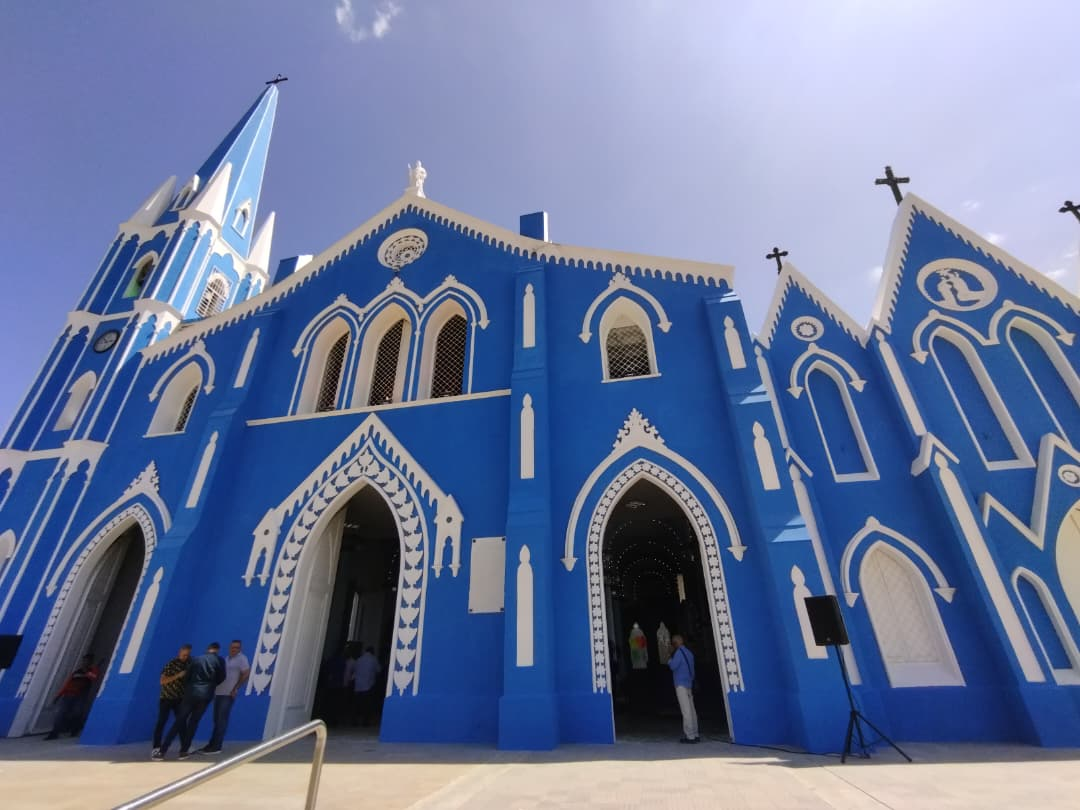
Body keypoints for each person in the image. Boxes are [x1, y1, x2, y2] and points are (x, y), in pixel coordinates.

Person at [153, 642, 225, 760]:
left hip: (191, 694)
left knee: (179, 721)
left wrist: (191, 687)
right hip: (205, 695)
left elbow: (187, 677)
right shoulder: (219, 660)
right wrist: (211, 685)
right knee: (193, 723)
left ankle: (162, 751)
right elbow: (222, 677)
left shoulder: (196, 660)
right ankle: (183, 751)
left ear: (208, 649)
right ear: (217, 650)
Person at [200, 639, 250, 754]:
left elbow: (246, 673)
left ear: (240, 649)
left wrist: (236, 688)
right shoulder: (227, 659)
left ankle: (217, 746)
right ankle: (211, 744)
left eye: (237, 647)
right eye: (233, 647)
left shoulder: (242, 659)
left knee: (221, 720)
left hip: (228, 694)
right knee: (216, 719)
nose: (234, 649)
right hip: (218, 693)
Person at [45, 653, 99, 740]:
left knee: (77, 713)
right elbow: (67, 684)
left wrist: (86, 672)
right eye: (83, 661)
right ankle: (54, 732)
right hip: (68, 694)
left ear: (90, 662)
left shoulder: (93, 670)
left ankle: (74, 729)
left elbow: (94, 678)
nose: (84, 662)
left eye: (87, 661)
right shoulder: (76, 672)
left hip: (80, 696)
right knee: (61, 713)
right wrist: (59, 695)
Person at [152, 644, 191, 750]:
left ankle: (185, 747)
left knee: (182, 722)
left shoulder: (189, 664)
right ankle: (156, 747)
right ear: (180, 653)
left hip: (179, 699)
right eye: (183, 655)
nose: (185, 657)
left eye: (187, 655)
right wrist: (178, 675)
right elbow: (162, 681)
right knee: (161, 722)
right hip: (166, 698)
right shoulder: (171, 664)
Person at [668, 635, 699, 743]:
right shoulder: (689, 653)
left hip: (680, 684)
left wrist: (669, 659)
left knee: (686, 711)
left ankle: (690, 736)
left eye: (673, 643)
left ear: (676, 643)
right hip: (689, 684)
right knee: (692, 709)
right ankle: (696, 733)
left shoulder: (678, 653)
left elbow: (673, 666)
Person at [351, 646, 382, 727]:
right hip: (369, 685)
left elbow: (354, 671)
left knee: (357, 704)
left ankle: (354, 721)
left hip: (358, 685)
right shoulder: (373, 659)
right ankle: (365, 721)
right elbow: (378, 670)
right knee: (367, 705)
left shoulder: (359, 659)